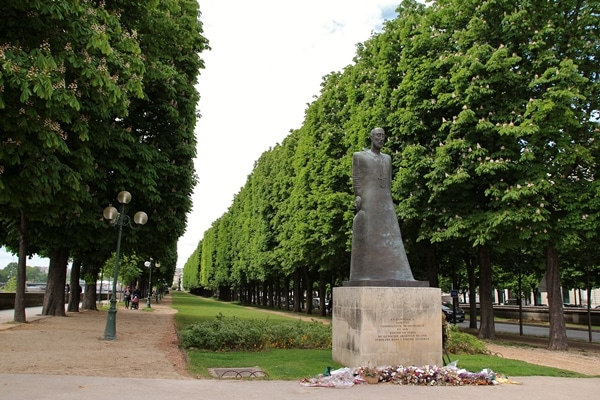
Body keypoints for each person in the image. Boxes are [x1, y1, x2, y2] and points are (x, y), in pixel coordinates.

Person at [349, 127, 415, 283]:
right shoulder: (359, 156)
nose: (381, 139)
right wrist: (359, 196)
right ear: (371, 137)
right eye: (378, 136)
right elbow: (357, 179)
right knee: (369, 234)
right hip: (369, 199)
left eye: (383, 136)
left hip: (385, 200)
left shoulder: (387, 158)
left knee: (393, 235)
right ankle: (366, 272)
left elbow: (389, 180)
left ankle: (398, 273)